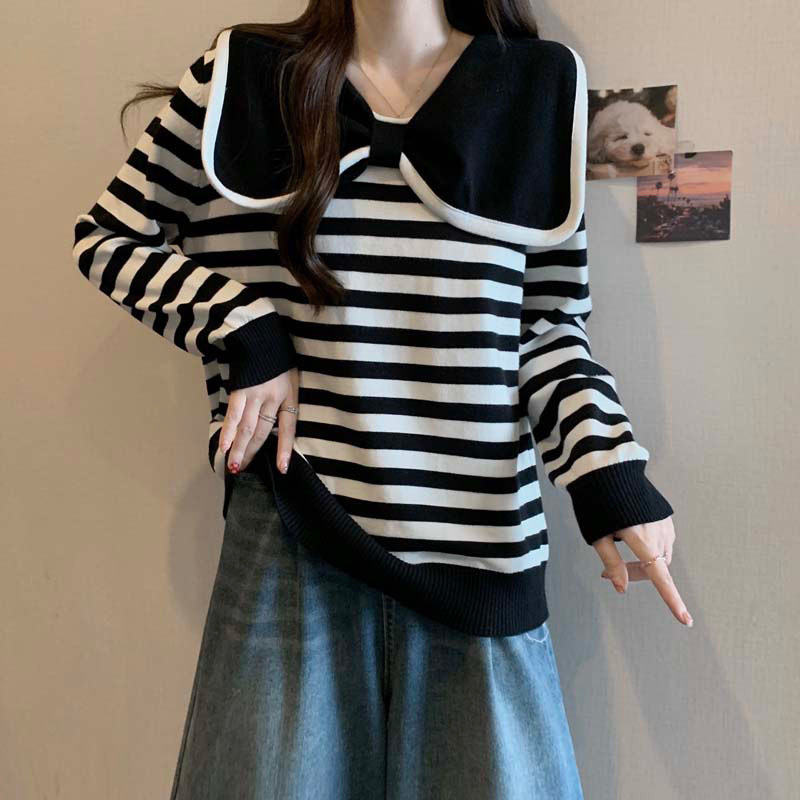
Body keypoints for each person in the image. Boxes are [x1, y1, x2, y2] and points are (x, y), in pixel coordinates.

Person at [71, 1, 691, 797]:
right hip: (294, 523)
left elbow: (546, 326)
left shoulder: (534, 88)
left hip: (479, 543)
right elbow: (109, 238)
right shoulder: (244, 75)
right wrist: (247, 329)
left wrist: (607, 474)